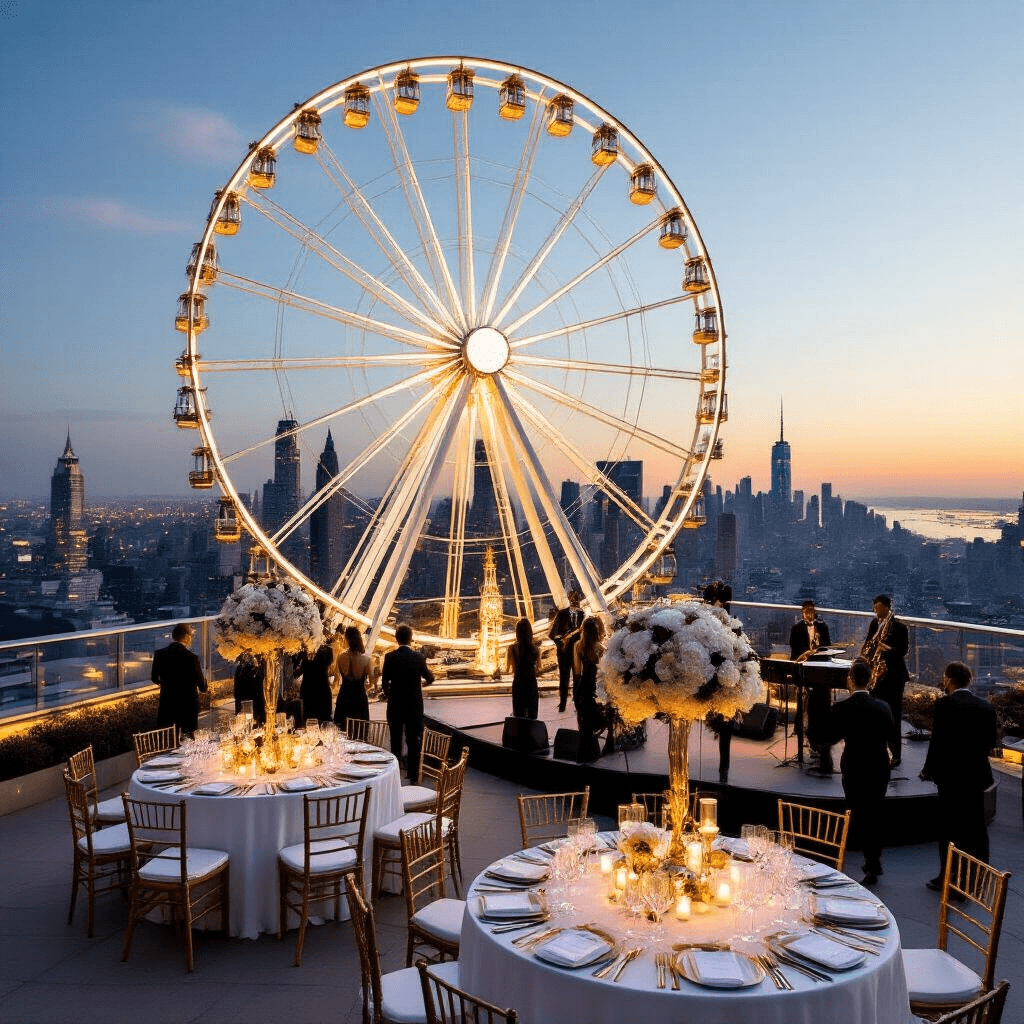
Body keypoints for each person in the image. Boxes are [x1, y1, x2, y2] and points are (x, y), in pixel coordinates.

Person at [920, 662, 998, 889]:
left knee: (948, 827)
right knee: (976, 825)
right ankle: (980, 874)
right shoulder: (986, 707)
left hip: (951, 777)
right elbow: (991, 744)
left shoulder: (944, 705)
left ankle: (948, 875)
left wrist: (928, 770)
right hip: (976, 775)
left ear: (948, 679)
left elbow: (938, 742)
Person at [828, 657, 893, 886]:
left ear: (850, 680)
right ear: (870, 680)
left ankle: (867, 859)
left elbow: (830, 738)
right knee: (874, 812)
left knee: (859, 812)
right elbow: (891, 738)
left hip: (855, 766)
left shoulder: (842, 708)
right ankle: (873, 861)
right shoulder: (884, 708)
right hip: (879, 766)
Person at [860, 594, 910, 767]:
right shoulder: (875, 624)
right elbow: (868, 643)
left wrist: (887, 649)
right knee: (875, 714)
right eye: (874, 606)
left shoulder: (899, 627)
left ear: (887, 607)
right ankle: (877, 750)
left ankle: (895, 754)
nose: (875, 609)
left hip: (893, 677)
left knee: (894, 715)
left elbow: (903, 650)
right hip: (876, 676)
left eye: (878, 606)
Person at [381, 623, 434, 782]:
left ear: (396, 639)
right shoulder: (419, 657)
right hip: (413, 706)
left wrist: (392, 694)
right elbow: (430, 678)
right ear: (411, 639)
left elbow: (384, 684)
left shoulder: (389, 657)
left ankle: (395, 777)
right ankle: (413, 776)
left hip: (396, 706)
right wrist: (419, 686)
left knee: (395, 741)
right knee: (413, 741)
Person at [790, 600, 834, 772]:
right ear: (802, 612)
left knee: (820, 702)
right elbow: (794, 650)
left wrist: (818, 645)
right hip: (804, 667)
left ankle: (818, 737)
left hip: (820, 668)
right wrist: (805, 654)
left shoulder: (823, 627)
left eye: (811, 611)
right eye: (806, 611)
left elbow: (828, 648)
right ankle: (801, 728)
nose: (809, 614)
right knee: (803, 702)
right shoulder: (796, 628)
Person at [704, 581, 736, 783]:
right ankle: (724, 767)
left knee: (725, 722)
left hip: (717, 672)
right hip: (720, 673)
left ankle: (724, 765)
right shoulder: (726, 620)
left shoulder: (714, 619)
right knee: (726, 722)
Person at [152, 622, 208, 736]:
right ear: (187, 637)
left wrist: (167, 684)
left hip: (167, 706)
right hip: (188, 708)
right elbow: (203, 688)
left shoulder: (159, 655)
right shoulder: (192, 658)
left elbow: (154, 678)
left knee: (167, 741)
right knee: (189, 743)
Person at [572, 616, 606, 762]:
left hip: (581, 686)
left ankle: (583, 753)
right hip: (594, 686)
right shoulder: (600, 648)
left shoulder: (578, 646)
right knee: (593, 720)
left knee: (582, 720)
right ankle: (593, 752)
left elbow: (577, 670)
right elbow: (604, 670)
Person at [549, 589, 585, 713]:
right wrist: (561, 644)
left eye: (577, 599)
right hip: (564, 652)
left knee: (577, 678)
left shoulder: (582, 615)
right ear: (570, 600)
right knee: (564, 678)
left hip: (577, 652)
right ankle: (563, 703)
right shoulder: (561, 614)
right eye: (574, 599)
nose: (576, 601)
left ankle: (576, 703)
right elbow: (552, 634)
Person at [334, 625, 372, 729]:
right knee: (359, 732)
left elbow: (337, 679)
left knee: (341, 730)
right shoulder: (366, 660)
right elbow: (371, 683)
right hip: (359, 699)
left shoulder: (341, 657)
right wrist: (364, 687)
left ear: (346, 639)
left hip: (344, 698)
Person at [506, 617, 540, 720]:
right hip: (531, 683)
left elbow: (509, 668)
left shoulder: (512, 648)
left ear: (517, 632)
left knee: (518, 714)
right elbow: (538, 668)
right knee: (532, 715)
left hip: (518, 682)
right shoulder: (536, 649)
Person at [298, 640, 334, 724]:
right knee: (323, 721)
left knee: (309, 720)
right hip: (321, 691)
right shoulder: (327, 652)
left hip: (309, 691)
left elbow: (298, 672)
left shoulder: (306, 654)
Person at [232, 651, 266, 724]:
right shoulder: (258, 669)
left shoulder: (239, 670)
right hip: (256, 707)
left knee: (246, 726)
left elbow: (236, 694)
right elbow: (261, 693)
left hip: (245, 707)